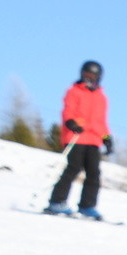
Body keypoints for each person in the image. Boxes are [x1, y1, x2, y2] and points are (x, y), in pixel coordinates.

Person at [45, 60, 113, 219]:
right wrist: (71, 122)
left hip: (93, 139)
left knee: (94, 172)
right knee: (73, 168)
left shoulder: (101, 97)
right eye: (86, 75)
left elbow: (101, 122)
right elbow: (68, 110)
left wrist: (107, 138)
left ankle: (87, 206)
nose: (89, 79)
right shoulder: (74, 91)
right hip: (76, 136)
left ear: (98, 78)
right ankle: (57, 202)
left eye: (93, 76)